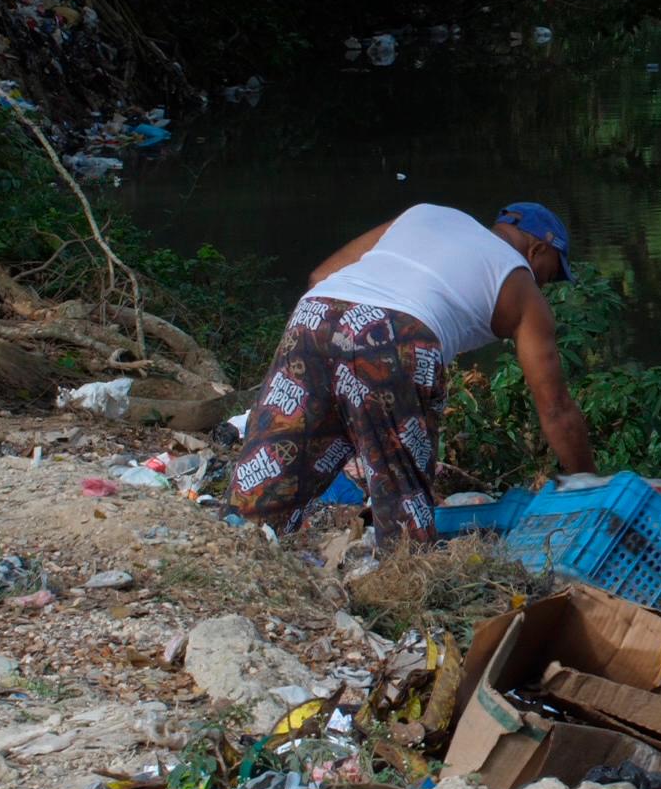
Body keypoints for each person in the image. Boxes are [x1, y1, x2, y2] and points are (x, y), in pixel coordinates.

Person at [227, 202, 594, 544]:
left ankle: (243, 539)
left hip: (316, 314)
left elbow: (320, 275)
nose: (548, 282)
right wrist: (589, 486)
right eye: (553, 272)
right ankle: (400, 578)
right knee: (399, 480)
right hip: (395, 335)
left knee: (279, 452)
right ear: (538, 249)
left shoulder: (425, 213)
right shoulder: (520, 284)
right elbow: (556, 408)